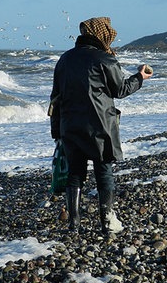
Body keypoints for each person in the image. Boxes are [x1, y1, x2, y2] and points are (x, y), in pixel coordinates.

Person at [49, 16, 153, 235]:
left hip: (70, 126)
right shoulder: (105, 59)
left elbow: (55, 99)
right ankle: (107, 221)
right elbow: (121, 90)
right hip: (100, 127)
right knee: (103, 172)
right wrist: (140, 77)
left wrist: (57, 131)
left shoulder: (64, 59)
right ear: (103, 35)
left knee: (75, 175)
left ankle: (74, 225)